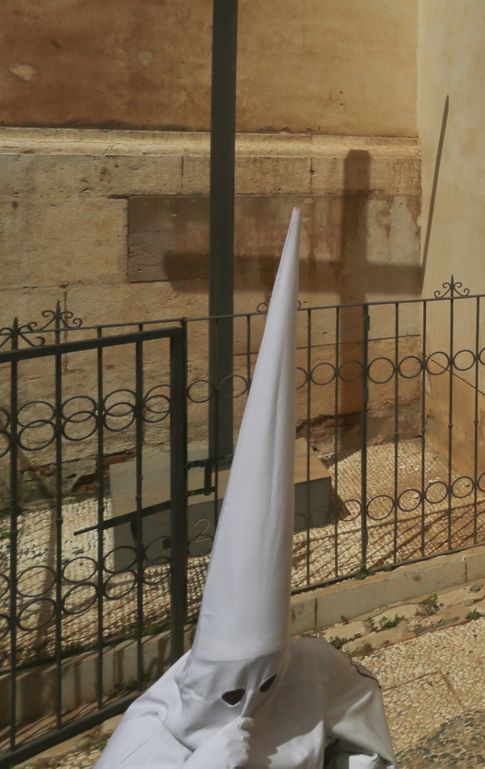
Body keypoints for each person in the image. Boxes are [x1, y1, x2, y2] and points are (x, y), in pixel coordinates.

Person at [98, 213, 396, 769]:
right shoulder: (142, 748)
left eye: (265, 682)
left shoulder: (311, 668)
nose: (247, 710)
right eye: (232, 691)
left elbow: (361, 735)